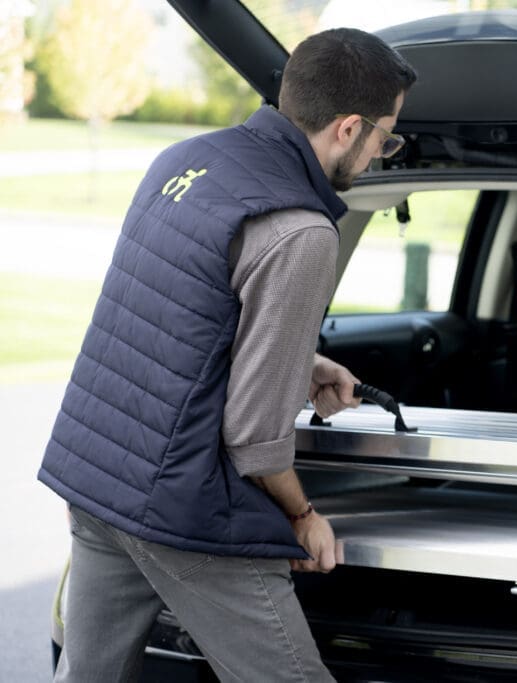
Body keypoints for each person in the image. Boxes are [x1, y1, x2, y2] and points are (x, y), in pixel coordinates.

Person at [38, 27, 416, 682]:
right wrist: (303, 515)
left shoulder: (184, 160)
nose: (385, 152)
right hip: (182, 510)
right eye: (387, 135)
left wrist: (305, 365)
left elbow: (175, 326)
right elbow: (255, 442)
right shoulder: (301, 230)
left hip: (97, 480)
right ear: (349, 127)